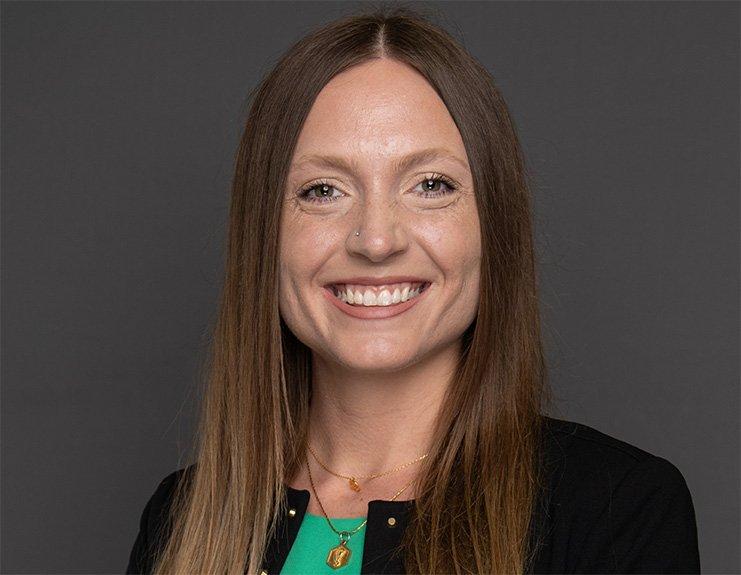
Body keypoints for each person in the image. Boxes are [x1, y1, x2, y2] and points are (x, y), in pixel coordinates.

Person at [125, 6, 700, 574]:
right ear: (262, 237)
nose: (376, 240)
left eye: (430, 184)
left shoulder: (615, 508)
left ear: (493, 226)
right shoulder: (180, 518)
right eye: (323, 190)